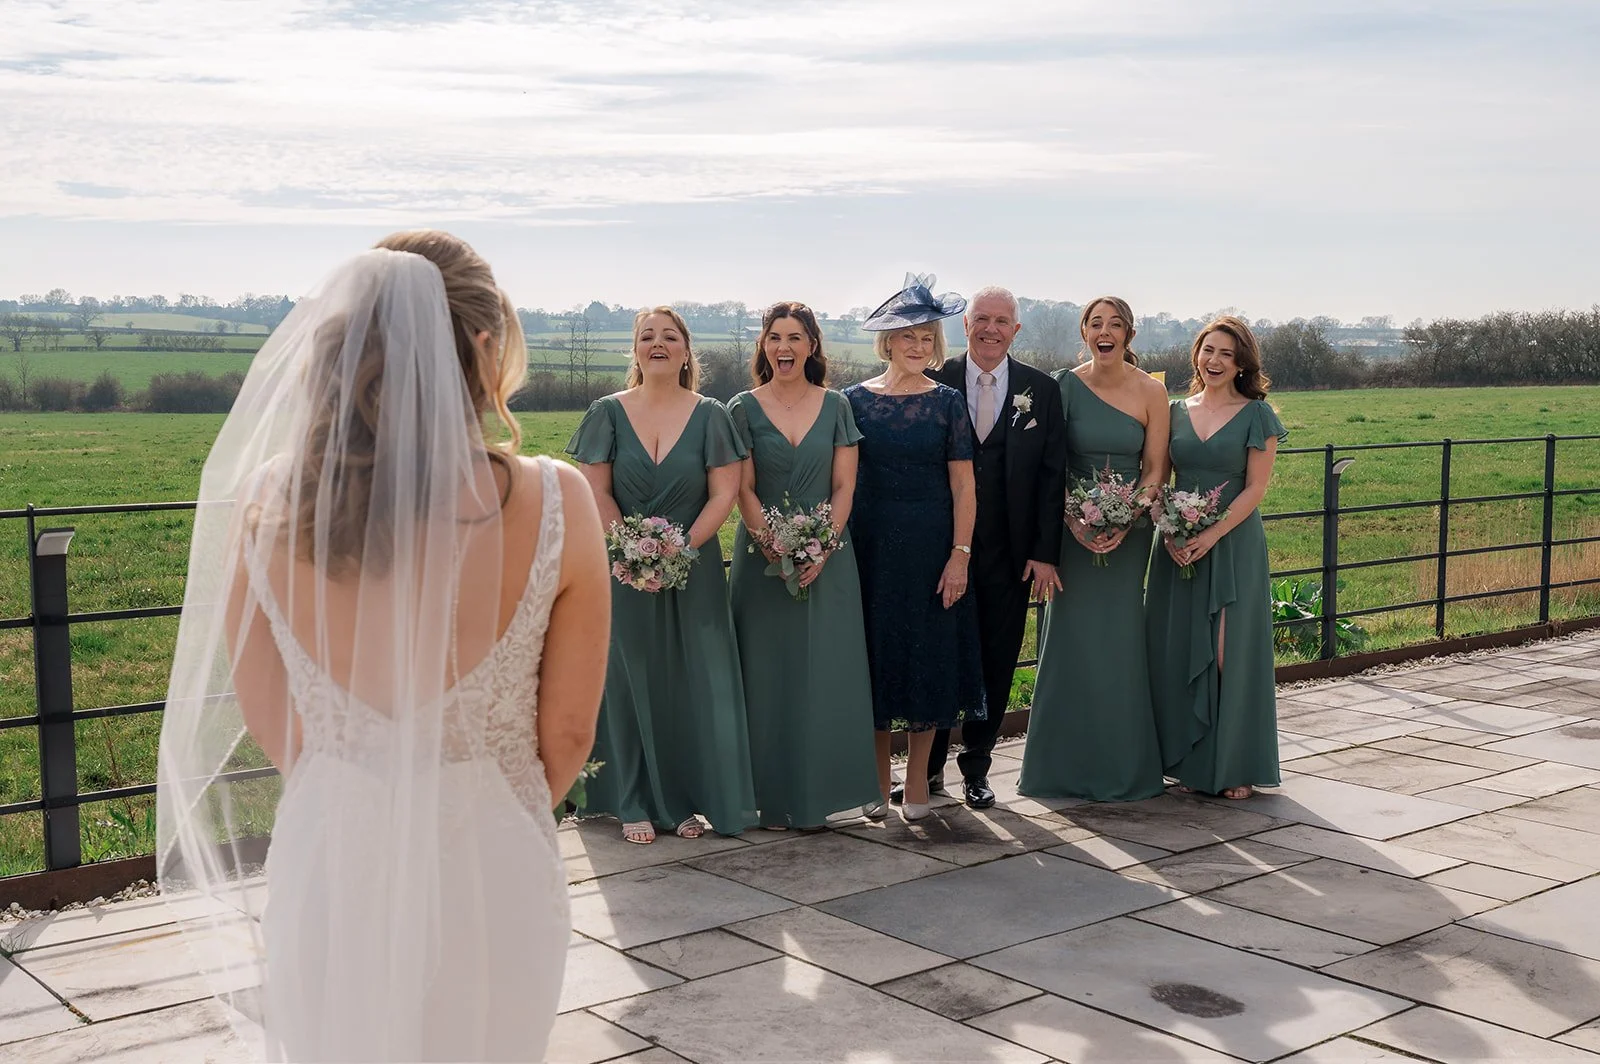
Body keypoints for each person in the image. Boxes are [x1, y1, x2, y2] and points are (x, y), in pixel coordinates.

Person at [157, 230, 610, 1062]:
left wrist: (359, 789)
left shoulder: (268, 499)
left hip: (332, 838)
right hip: (493, 845)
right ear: (482, 342)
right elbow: (570, 732)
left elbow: (261, 700)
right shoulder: (559, 501)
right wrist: (469, 810)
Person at [567, 306, 758, 842]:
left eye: (669, 336)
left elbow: (724, 493)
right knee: (628, 680)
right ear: (635, 349)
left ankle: (683, 802)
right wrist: (630, 549)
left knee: (691, 681)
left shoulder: (712, 415)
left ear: (685, 350)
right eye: (647, 336)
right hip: (623, 570)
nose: (658, 343)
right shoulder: (606, 412)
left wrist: (677, 550)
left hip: (691, 568)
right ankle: (630, 800)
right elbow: (596, 490)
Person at [898, 286, 1067, 809]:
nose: (991, 329)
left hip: (1010, 553)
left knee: (995, 656)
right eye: (982, 320)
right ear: (966, 324)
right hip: (940, 546)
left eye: (1002, 321)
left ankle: (977, 767)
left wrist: (1044, 552)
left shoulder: (1041, 390)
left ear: (1016, 331)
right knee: (937, 652)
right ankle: (926, 770)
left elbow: (1050, 475)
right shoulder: (933, 380)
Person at [728, 302, 879, 830]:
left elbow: (844, 487)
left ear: (812, 346)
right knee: (764, 678)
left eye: (795, 337)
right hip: (760, 561)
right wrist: (769, 541)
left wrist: (820, 548)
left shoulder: (837, 405)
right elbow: (742, 487)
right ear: (763, 346)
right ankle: (766, 798)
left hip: (828, 562)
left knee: (825, 674)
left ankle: (821, 796)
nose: (784, 347)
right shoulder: (741, 408)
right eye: (775, 337)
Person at [845, 273, 985, 822]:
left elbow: (964, 487)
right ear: (887, 342)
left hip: (933, 547)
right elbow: (843, 480)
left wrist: (960, 554)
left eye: (928, 338)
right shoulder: (852, 401)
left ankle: (920, 788)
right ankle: (878, 785)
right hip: (870, 547)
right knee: (876, 658)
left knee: (930, 657)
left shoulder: (948, 403)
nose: (918, 346)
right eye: (909, 337)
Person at [1020, 295, 1168, 802]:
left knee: (1120, 640)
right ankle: (1058, 768)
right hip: (1071, 532)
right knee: (1070, 638)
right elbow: (1050, 461)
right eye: (1095, 323)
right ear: (1085, 332)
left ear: (1129, 334)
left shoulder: (1152, 392)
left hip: (1128, 535)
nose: (1105, 331)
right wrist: (1072, 516)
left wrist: (1127, 517)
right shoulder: (1063, 386)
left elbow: (1155, 470)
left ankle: (1123, 767)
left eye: (1116, 324)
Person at [1147, 315, 1286, 799]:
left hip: (1232, 545)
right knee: (1177, 649)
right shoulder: (1173, 410)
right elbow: (1159, 478)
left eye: (1226, 353)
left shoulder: (1257, 415)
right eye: (1208, 350)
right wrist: (1168, 531)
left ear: (1241, 362)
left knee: (1229, 654)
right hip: (1177, 544)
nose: (1215, 361)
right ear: (1196, 355)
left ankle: (1235, 763)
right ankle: (1182, 761)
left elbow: (1255, 490)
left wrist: (1211, 536)